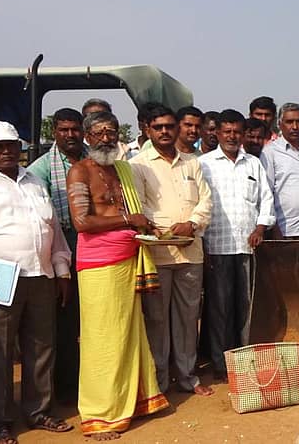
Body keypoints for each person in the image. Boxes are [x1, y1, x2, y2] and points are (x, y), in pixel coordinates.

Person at [0, 121, 73, 444]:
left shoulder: (33, 180)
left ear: (20, 147)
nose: (6, 151)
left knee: (42, 347)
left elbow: (52, 229)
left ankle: (39, 411)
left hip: (40, 275)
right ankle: (0, 421)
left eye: (11, 145)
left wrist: (62, 269)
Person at [65, 111, 168, 439]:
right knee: (102, 340)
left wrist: (147, 227)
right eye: (99, 133)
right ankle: (100, 415)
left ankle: (134, 401)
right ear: (87, 137)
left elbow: (132, 214)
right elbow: (82, 222)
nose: (107, 139)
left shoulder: (122, 169)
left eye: (111, 132)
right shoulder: (80, 171)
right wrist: (129, 221)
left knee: (129, 333)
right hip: (99, 266)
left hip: (128, 259)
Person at [129, 103, 214, 396]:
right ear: (147, 129)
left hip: (190, 252)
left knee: (188, 318)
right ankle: (160, 382)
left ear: (177, 128)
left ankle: (188, 376)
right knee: (157, 320)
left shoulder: (192, 163)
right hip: (158, 255)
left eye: (169, 126)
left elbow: (206, 200)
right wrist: (165, 230)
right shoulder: (138, 164)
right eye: (158, 127)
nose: (164, 132)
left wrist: (192, 224)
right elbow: (139, 207)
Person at [199, 110, 274, 382]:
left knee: (246, 307)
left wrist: (260, 228)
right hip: (216, 246)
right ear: (217, 133)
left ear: (243, 135)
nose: (232, 136)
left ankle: (245, 361)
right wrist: (202, 242)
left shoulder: (253, 164)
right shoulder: (204, 164)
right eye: (226, 131)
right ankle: (221, 363)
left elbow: (266, 199)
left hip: (246, 246)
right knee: (220, 308)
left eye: (236, 132)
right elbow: (198, 203)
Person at [27, 107, 87, 403]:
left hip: (94, 247)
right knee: (65, 320)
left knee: (92, 319)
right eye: (64, 130)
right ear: (54, 132)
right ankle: (66, 387)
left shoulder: (94, 159)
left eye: (75, 129)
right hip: (61, 248)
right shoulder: (40, 169)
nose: (70, 135)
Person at [261, 103, 299, 239]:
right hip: (285, 230)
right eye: (289, 122)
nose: (295, 127)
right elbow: (266, 192)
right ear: (279, 124)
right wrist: (275, 228)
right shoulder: (270, 151)